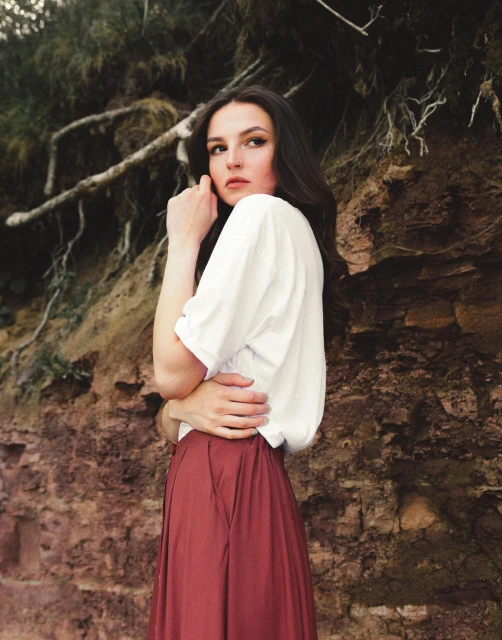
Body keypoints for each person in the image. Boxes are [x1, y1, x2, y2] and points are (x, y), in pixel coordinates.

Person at [148, 84, 347, 640]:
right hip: (250, 473)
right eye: (216, 148)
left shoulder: (260, 215)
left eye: (253, 141)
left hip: (223, 473)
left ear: (284, 153)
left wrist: (183, 243)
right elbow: (179, 396)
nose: (232, 160)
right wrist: (175, 413)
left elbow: (171, 373)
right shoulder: (292, 232)